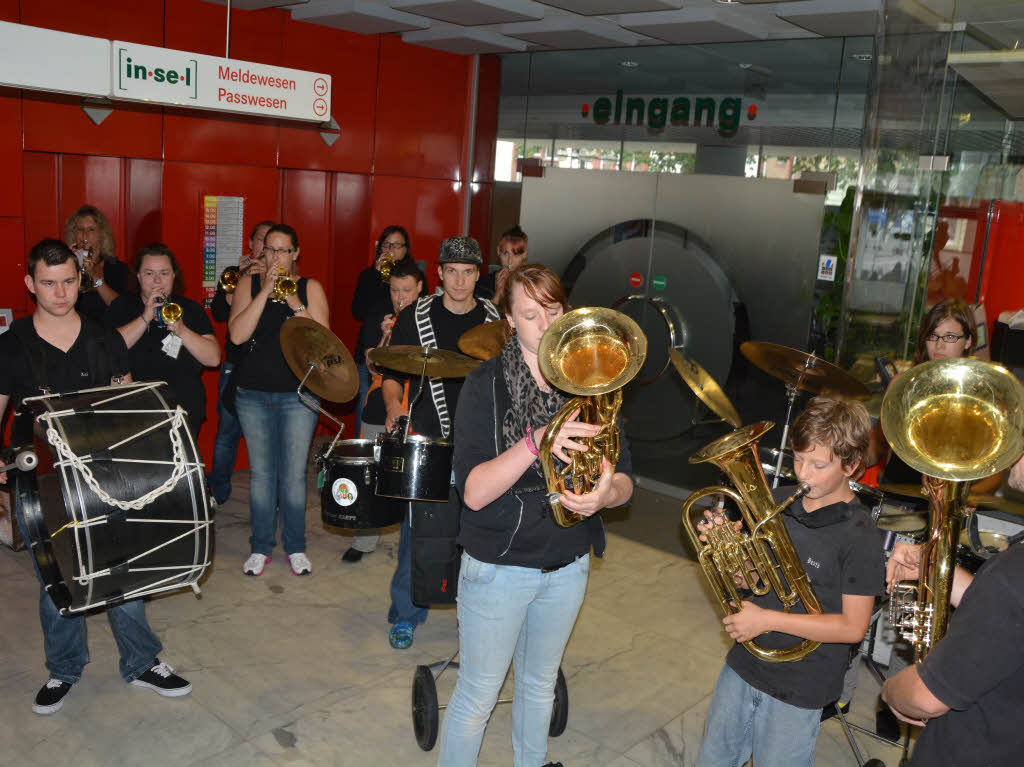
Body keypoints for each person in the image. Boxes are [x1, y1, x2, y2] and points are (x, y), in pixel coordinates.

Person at [437, 263, 633, 767]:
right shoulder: (484, 386)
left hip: (568, 563)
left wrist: (605, 494)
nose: (546, 325)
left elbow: (626, 480)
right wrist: (537, 441)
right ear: (509, 320)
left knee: (540, 685)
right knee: (478, 696)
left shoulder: (593, 383)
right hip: (499, 568)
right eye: (530, 314)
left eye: (553, 310)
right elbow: (475, 493)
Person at [0, 238, 191, 715]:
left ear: (80, 280)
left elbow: (125, 405)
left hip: (105, 476)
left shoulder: (103, 338)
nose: (60, 293)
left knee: (122, 571)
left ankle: (142, 661)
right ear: (30, 284)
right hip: (41, 481)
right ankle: (64, 668)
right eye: (48, 283)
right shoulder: (12, 344)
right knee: (59, 581)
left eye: (68, 281)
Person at [695, 396, 884, 767]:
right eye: (798, 459)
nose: (803, 474)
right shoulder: (776, 503)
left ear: (851, 465)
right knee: (713, 759)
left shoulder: (860, 535)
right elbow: (754, 582)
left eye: (818, 464)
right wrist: (728, 553)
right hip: (746, 663)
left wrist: (767, 621)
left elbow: (852, 627)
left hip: (802, 682)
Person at [381, 236, 500, 649]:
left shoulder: (492, 318)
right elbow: (393, 370)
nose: (461, 281)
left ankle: (476, 617)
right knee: (419, 532)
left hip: (480, 441)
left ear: (478, 274)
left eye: (468, 272)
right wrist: (394, 404)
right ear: (440, 274)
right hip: (428, 434)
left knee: (476, 532)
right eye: (453, 272)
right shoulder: (418, 314)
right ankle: (406, 613)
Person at [228, 224, 329, 577]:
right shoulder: (248, 284)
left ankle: (297, 546)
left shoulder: (310, 287)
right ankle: (260, 547)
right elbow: (238, 336)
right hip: (252, 393)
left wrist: (292, 300)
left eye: (283, 251)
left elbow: (323, 341)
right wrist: (265, 291)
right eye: (269, 250)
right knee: (262, 475)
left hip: (298, 395)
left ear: (296, 253)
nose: (275, 258)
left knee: (293, 475)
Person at [881, 539, 1024, 766]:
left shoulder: (1014, 571)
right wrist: (932, 566)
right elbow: (1005, 615)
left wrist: (889, 691)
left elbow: (925, 699)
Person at [868, 299, 1004, 494]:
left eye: (949, 337)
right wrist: (847, 464)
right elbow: (879, 443)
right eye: (933, 336)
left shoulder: (985, 396)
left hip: (955, 506)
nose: (939, 345)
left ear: (968, 341)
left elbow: (995, 475)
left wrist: (963, 499)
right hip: (900, 500)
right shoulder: (903, 384)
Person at [343, 258, 424, 564]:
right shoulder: (381, 313)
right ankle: (364, 540)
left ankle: (414, 542)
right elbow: (372, 364)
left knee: (412, 478)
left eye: (406, 290)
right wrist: (386, 336)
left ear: (420, 288)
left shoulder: (430, 318)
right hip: (380, 404)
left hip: (415, 403)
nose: (400, 297)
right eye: (394, 290)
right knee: (370, 475)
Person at [106, 244, 220, 438]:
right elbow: (109, 350)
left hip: (183, 408)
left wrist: (182, 329)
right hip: (136, 409)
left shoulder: (190, 309)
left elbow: (213, 359)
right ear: (139, 277)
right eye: (149, 273)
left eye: (164, 273)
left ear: (174, 276)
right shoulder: (121, 306)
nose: (157, 281)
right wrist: (145, 317)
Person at [207, 220, 273, 505]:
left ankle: (271, 496)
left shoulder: (282, 278)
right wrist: (243, 281)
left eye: (271, 243)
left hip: (268, 367)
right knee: (227, 432)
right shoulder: (234, 274)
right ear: (251, 244)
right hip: (235, 364)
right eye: (260, 240)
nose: (264, 247)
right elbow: (220, 313)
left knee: (270, 438)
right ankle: (217, 490)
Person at [351, 226, 413, 429]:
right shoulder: (368, 275)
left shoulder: (414, 278)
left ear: (405, 250)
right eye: (387, 244)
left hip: (401, 352)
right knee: (366, 404)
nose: (392, 249)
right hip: (370, 346)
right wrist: (377, 276)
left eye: (397, 245)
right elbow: (358, 311)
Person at [64, 205, 133, 324]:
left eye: (91, 229)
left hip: (109, 333)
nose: (85, 234)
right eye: (80, 229)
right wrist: (67, 266)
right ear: (73, 233)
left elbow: (122, 309)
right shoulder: (65, 265)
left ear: (101, 235)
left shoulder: (117, 267)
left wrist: (94, 276)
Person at [475, 225, 527, 301]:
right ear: (498, 251)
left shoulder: (530, 284)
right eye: (505, 253)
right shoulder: (483, 283)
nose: (510, 261)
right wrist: (498, 293)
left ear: (524, 254)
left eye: (516, 255)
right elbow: (482, 313)